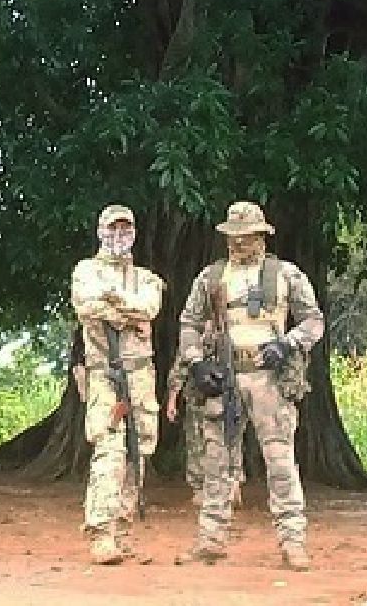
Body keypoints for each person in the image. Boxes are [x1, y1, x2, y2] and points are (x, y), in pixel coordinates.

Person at [174, 201, 324, 571]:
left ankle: (293, 541)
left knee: (279, 459)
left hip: (269, 378)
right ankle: (211, 540)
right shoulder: (211, 278)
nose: (239, 244)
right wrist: (196, 363)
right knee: (216, 461)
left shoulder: (285, 274)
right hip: (224, 376)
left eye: (246, 237)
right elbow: (189, 322)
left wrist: (286, 345)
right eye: (232, 238)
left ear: (262, 236)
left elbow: (313, 321)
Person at [70, 204, 164, 565]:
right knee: (109, 449)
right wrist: (125, 313)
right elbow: (87, 306)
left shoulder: (147, 278)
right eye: (113, 229)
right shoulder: (86, 270)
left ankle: (122, 530)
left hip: (140, 374)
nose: (119, 236)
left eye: (126, 229)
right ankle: (101, 533)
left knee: (139, 451)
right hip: (104, 374)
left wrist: (116, 303)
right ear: (100, 231)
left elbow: (149, 308)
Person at [165, 343, 245, 507]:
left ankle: (232, 483)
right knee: (197, 441)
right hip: (199, 396)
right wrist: (172, 400)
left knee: (232, 438)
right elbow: (181, 365)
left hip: (230, 394)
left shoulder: (236, 329)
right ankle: (201, 488)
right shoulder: (195, 332)